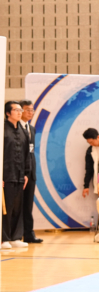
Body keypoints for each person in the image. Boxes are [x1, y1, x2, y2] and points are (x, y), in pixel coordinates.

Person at [2, 101, 30, 249]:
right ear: (8, 113)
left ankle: (16, 237)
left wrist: (26, 174)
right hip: (6, 176)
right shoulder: (2, 130)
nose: (20, 112)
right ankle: (3, 238)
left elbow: (27, 154)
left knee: (18, 207)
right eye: (16, 110)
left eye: (21, 110)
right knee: (5, 207)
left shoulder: (23, 130)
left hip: (20, 176)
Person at [19, 100, 42, 243]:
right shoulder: (13, 128)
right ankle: (13, 234)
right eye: (27, 110)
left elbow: (30, 151)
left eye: (32, 110)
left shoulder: (31, 128)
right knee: (16, 206)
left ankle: (28, 234)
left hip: (31, 171)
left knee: (28, 205)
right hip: (18, 172)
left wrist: (30, 171)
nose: (30, 113)